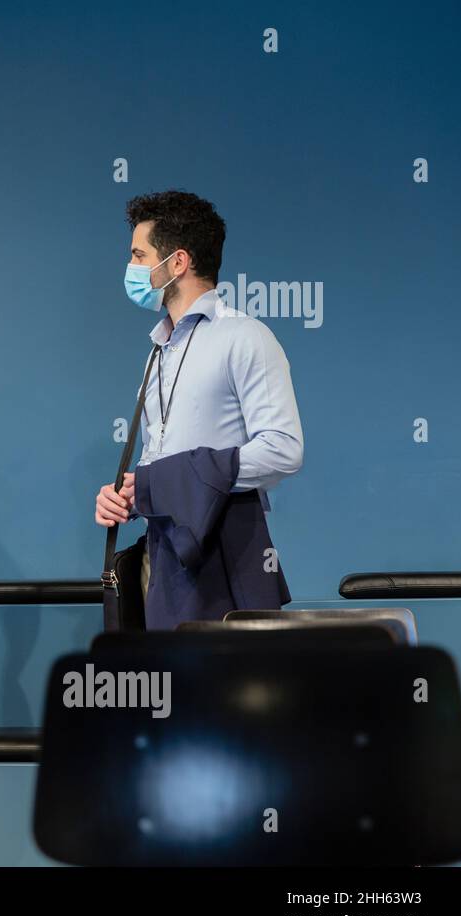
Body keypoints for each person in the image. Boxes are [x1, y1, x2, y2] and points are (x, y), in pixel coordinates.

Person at [94, 191, 304, 618]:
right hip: (164, 553)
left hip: (224, 549)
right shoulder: (157, 349)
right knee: (170, 684)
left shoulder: (245, 337)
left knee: (229, 683)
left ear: (177, 263)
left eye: (139, 255)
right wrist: (131, 495)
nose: (132, 268)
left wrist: (172, 479)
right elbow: (161, 457)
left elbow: (284, 449)